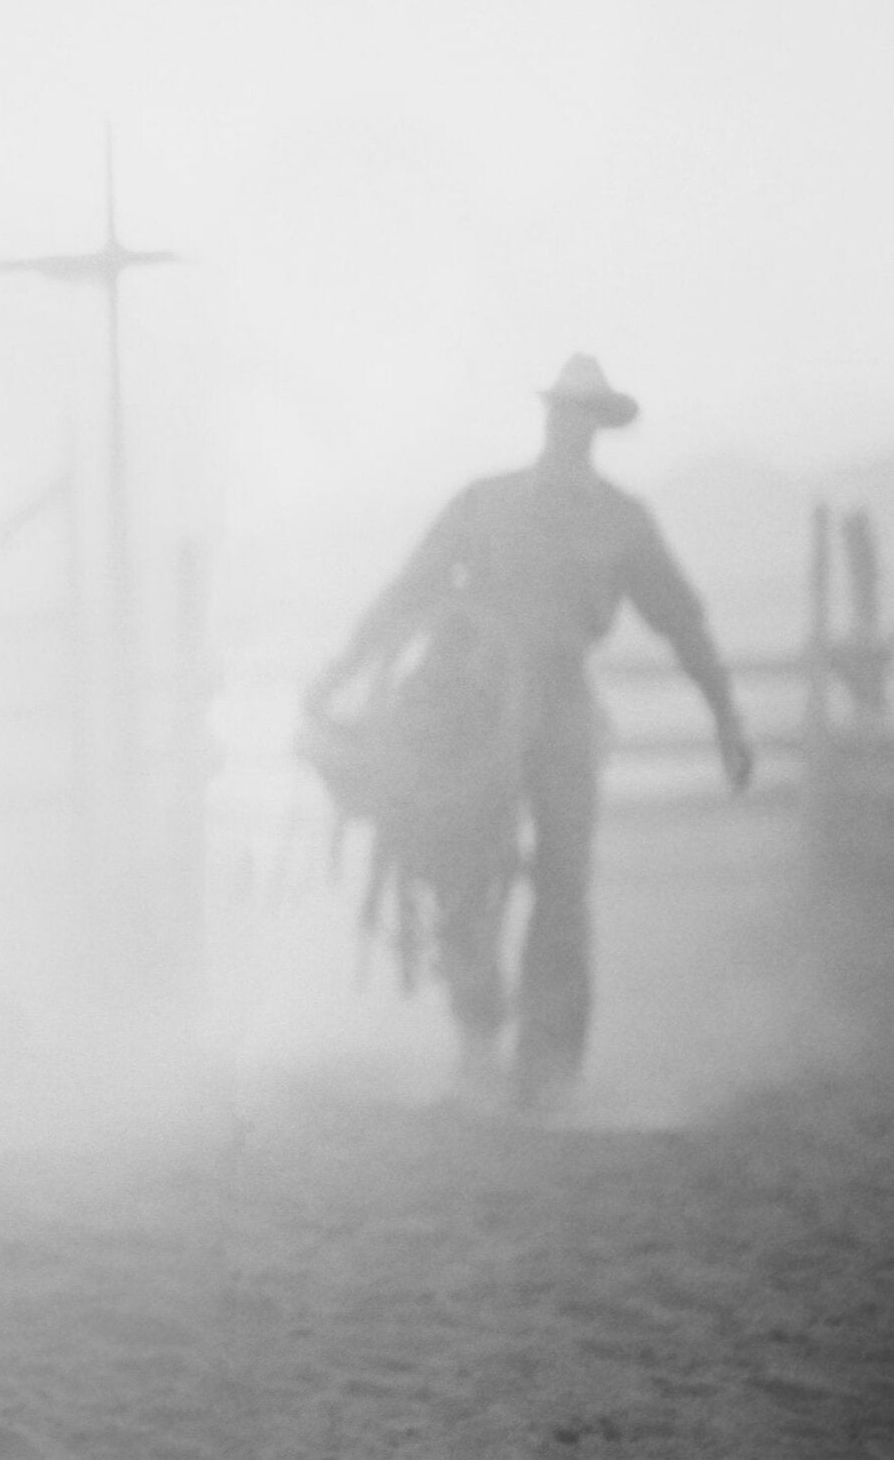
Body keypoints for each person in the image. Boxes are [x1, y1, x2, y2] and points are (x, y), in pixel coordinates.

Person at [305, 354, 755, 1112]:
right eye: (562, 408)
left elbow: (680, 617)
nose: (568, 423)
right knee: (459, 861)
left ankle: (547, 1068)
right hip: (474, 698)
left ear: (598, 425)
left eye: (585, 412)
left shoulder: (620, 520)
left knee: (564, 879)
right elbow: (411, 586)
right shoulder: (484, 503)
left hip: (563, 698)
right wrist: (345, 667)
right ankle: (478, 1038)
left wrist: (725, 714)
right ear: (549, 415)